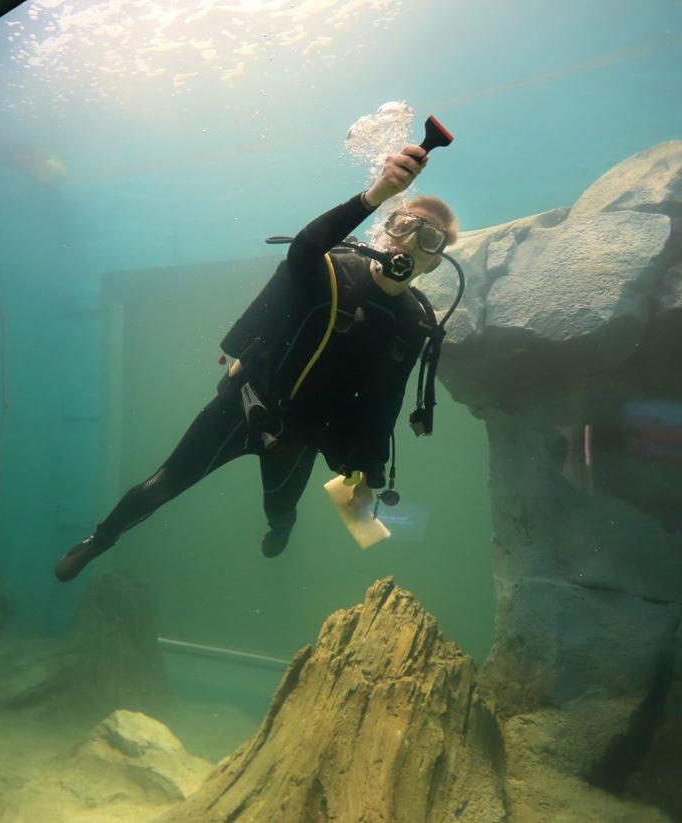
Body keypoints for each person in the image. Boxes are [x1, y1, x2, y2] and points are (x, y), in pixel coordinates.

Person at [56, 144, 457, 582]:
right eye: (404, 225)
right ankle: (100, 540)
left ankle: (280, 529)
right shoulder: (330, 269)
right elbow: (305, 247)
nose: (411, 241)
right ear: (386, 230)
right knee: (166, 481)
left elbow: (388, 398)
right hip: (246, 405)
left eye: (430, 237)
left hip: (300, 437)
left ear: (435, 262)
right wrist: (374, 195)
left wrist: (369, 464)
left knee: (280, 508)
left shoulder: (414, 323)